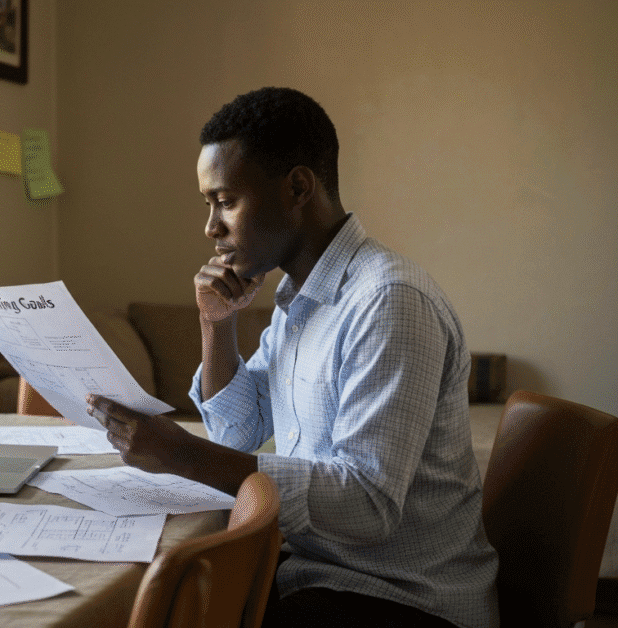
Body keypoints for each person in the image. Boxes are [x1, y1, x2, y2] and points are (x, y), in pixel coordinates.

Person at [86, 87, 499, 628]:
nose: (211, 228)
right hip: (316, 573)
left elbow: (368, 504)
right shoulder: (299, 298)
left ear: (298, 187)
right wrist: (217, 324)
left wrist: (182, 455)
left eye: (225, 201)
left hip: (404, 600)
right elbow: (238, 434)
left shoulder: (388, 301)